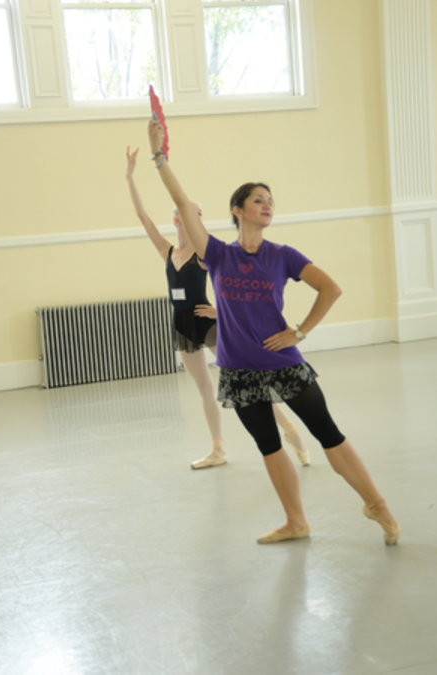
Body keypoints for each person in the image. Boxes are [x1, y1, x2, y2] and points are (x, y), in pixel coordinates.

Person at [147, 119, 400, 546]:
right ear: (238, 210)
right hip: (239, 370)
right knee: (268, 445)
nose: (267, 206)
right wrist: (159, 157)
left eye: (270, 201)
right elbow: (183, 203)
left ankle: (377, 504)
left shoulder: (282, 255)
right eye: (258, 200)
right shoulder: (217, 254)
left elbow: (331, 288)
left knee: (328, 434)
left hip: (282, 362)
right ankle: (295, 521)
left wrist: (299, 331)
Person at [125, 145, 311, 470]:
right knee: (205, 389)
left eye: (197, 214)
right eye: (186, 213)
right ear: (176, 219)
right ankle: (218, 448)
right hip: (183, 325)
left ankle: (290, 430)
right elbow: (143, 217)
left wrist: (220, 312)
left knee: (247, 382)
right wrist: (130, 176)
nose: (191, 217)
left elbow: (233, 283)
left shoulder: (203, 252)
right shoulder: (167, 251)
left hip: (209, 323)